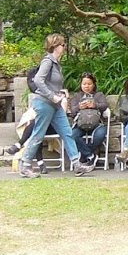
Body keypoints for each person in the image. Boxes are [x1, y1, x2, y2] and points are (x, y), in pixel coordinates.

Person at [17, 35, 83, 177]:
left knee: (67, 132)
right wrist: (52, 96)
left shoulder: (55, 63)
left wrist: (58, 94)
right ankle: (25, 164)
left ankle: (77, 164)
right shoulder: (47, 61)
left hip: (55, 104)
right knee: (39, 134)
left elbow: (51, 83)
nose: (64, 47)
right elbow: (38, 80)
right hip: (45, 103)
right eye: (62, 45)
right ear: (55, 46)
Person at [68, 73, 111, 169]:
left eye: (89, 84)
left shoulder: (99, 95)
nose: (86, 86)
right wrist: (79, 107)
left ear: (94, 84)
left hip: (97, 124)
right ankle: (91, 156)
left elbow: (104, 106)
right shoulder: (77, 96)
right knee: (72, 135)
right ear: (81, 85)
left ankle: (85, 154)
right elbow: (72, 111)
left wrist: (94, 105)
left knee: (100, 135)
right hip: (81, 124)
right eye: (84, 84)